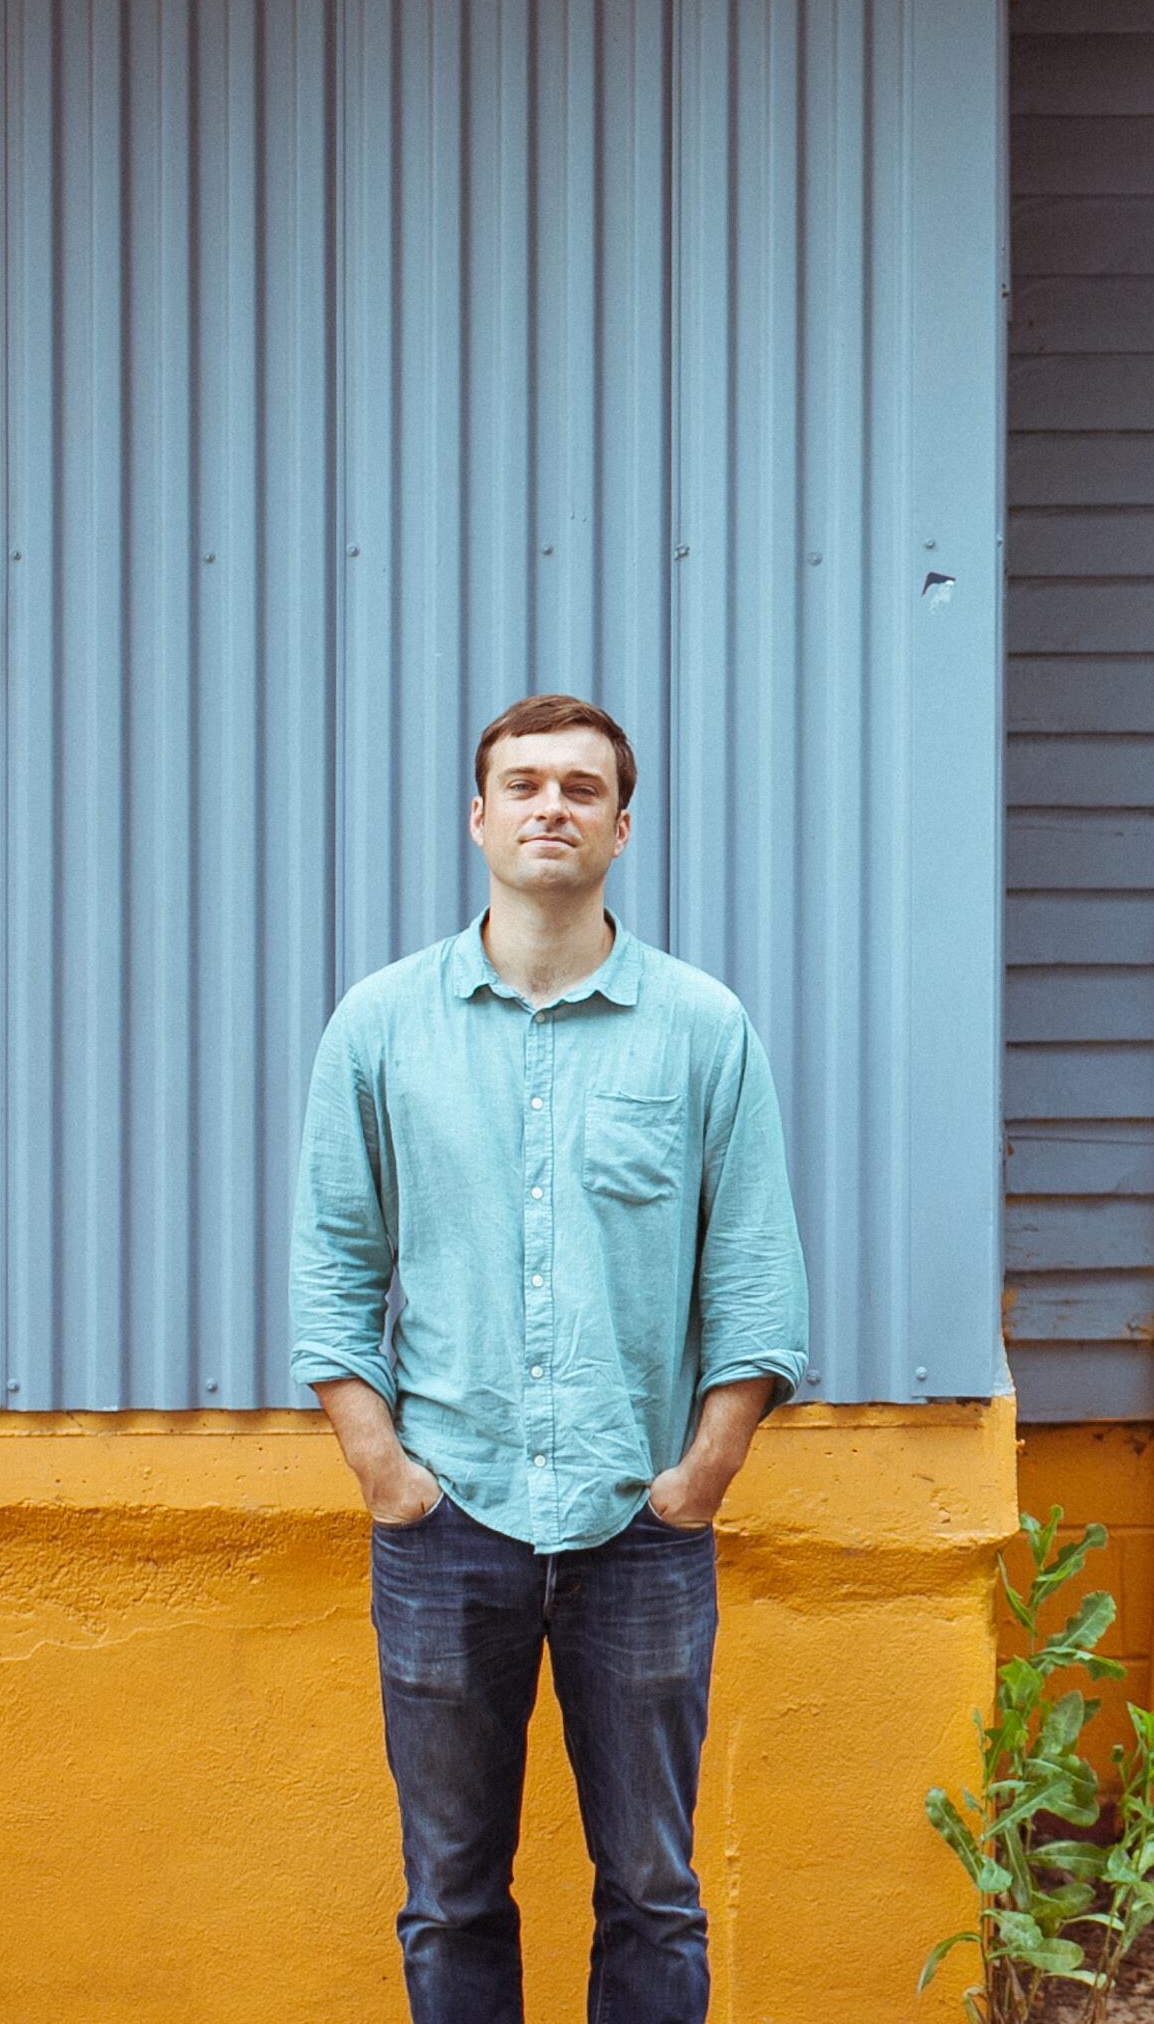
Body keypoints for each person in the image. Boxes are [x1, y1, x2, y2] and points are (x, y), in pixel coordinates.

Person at [291, 692, 808, 2024]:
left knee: (652, 1888)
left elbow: (753, 1278)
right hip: (445, 1519)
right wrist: (385, 1471)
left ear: (622, 828)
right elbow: (334, 1266)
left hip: (638, 1524)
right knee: (451, 1892)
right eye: (523, 786)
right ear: (479, 819)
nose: (551, 808)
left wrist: (699, 1477)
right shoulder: (383, 1026)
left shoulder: (700, 1030)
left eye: (582, 789)